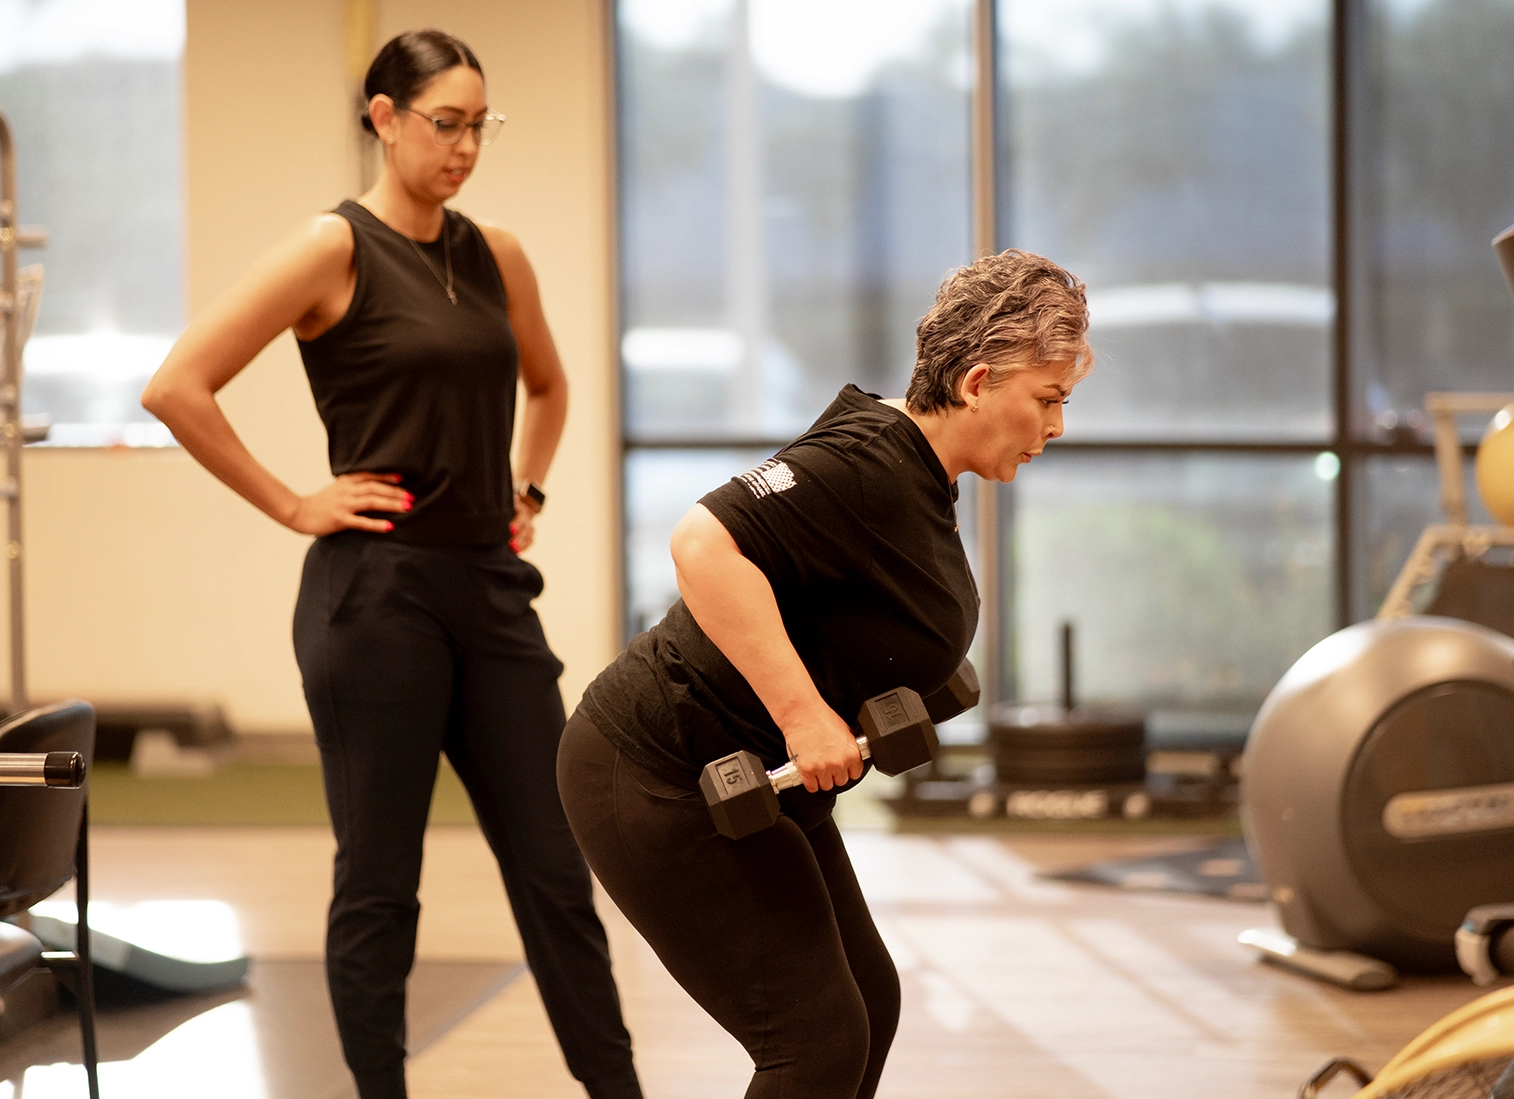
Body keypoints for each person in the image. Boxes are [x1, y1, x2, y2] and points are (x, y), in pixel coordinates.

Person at [141, 29, 642, 1099]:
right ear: (383, 117)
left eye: (479, 125)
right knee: (381, 881)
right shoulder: (334, 247)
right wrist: (292, 502)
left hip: (490, 590)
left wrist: (530, 487)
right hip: (374, 596)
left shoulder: (497, 253)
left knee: (558, 872)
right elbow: (178, 385)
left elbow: (549, 387)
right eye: (444, 123)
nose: (465, 147)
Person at [558, 250, 1091, 1099]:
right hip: (654, 770)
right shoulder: (868, 458)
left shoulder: (919, 476)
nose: (1056, 427)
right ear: (981, 380)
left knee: (867, 1003)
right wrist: (805, 715)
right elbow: (703, 542)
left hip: (753, 786)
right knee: (815, 1040)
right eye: (1049, 399)